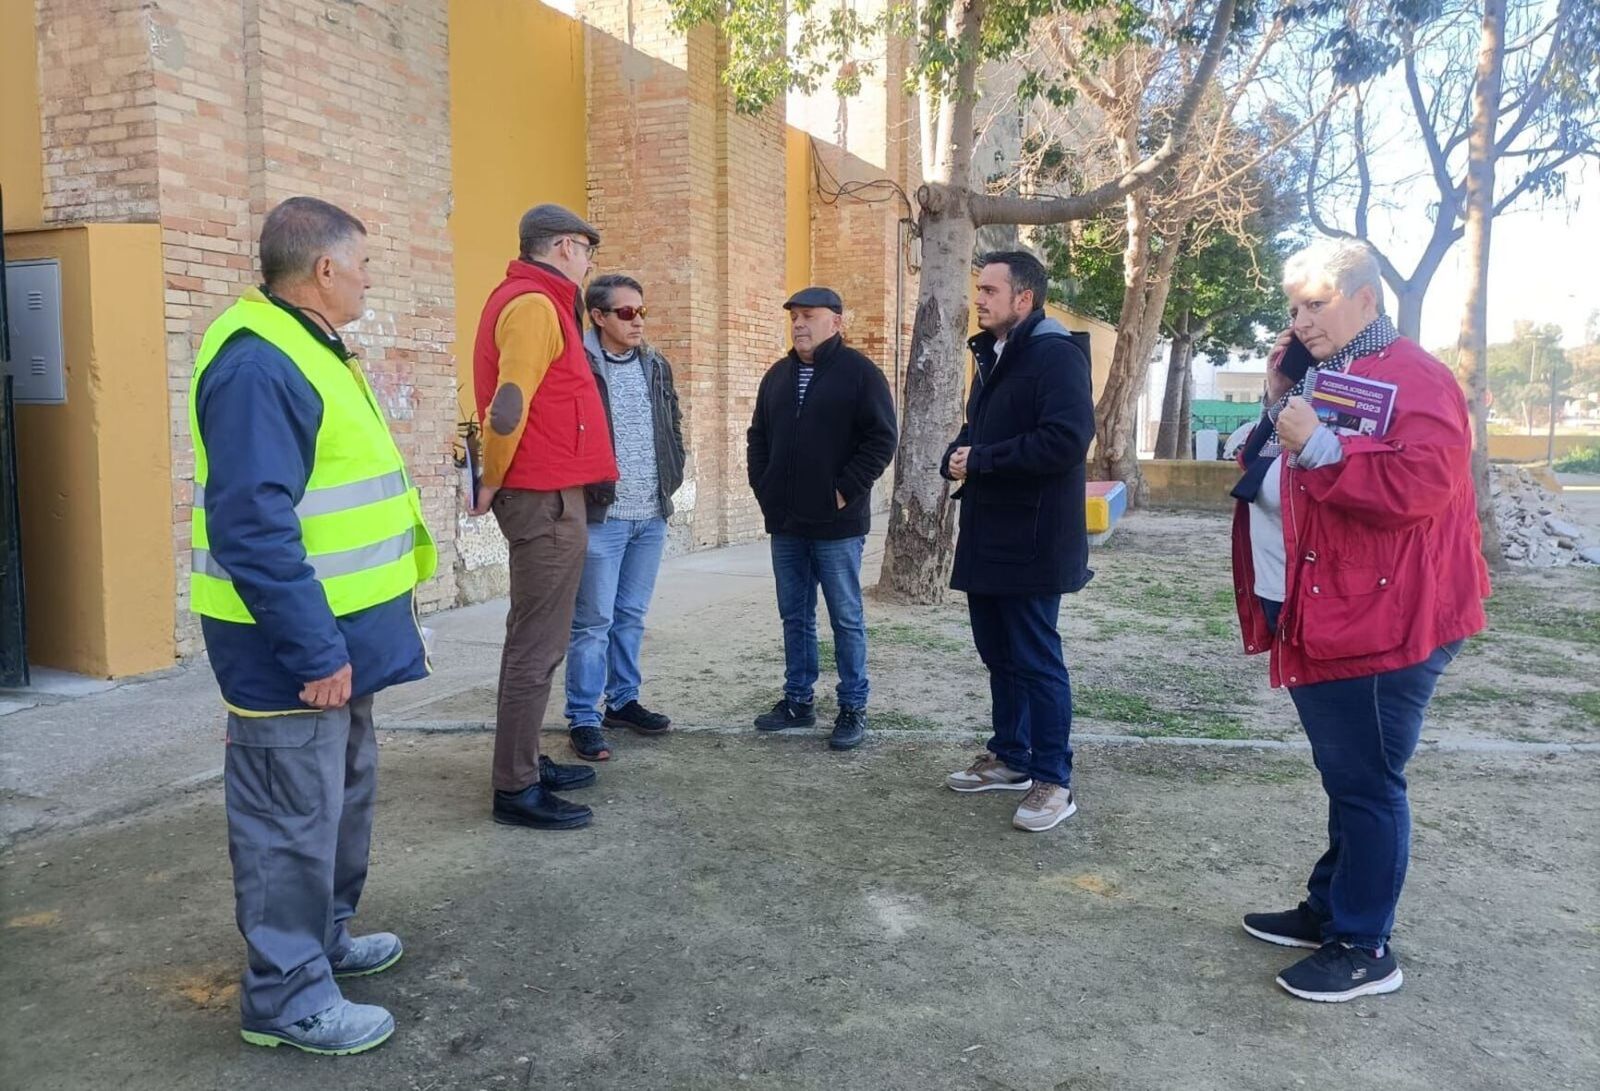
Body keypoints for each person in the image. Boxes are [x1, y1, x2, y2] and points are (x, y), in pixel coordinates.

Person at [189, 196, 436, 1054]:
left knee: (336, 798)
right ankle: (285, 995)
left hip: (335, 640)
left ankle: (322, 941)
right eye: (363, 261)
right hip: (289, 648)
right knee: (289, 815)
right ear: (324, 270)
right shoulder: (260, 362)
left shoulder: (310, 346)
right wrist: (314, 646)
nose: (370, 275)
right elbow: (252, 524)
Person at [1230, 237, 1489, 1002]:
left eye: (1316, 303)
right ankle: (1330, 908)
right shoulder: (1328, 370)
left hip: (1386, 622)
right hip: (1335, 607)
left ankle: (1364, 942)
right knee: (1347, 774)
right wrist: (1281, 399)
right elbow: (1272, 459)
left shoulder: (1419, 378)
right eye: (1294, 305)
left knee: (1368, 781)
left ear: (1365, 300)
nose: (1300, 318)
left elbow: (1420, 486)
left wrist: (1320, 445)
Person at [470, 204, 618, 830]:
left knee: (535, 639)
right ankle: (516, 786)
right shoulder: (533, 306)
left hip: (552, 495)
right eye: (586, 251)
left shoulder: (541, 301)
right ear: (563, 247)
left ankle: (524, 758)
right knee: (538, 644)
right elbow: (508, 409)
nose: (588, 263)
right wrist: (491, 481)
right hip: (544, 499)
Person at [940, 251, 1096, 833]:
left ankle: (1053, 779)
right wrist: (956, 455)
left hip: (1034, 540)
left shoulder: (1054, 356)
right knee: (998, 654)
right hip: (988, 533)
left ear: (1023, 298)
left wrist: (982, 459)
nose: (978, 298)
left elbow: (1065, 440)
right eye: (977, 288)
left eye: (988, 289)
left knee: (1036, 660)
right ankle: (1011, 757)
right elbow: (977, 432)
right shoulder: (994, 355)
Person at [746, 287, 897, 751]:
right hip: (786, 523)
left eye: (809, 316)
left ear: (837, 321)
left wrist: (844, 490)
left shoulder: (860, 375)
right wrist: (765, 488)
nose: (799, 325)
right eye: (794, 317)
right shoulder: (777, 376)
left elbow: (881, 439)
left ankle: (852, 705)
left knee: (845, 617)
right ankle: (798, 700)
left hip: (836, 524)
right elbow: (758, 438)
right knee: (795, 616)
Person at [563, 274, 686, 760]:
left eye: (642, 312)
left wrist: (672, 473)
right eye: (626, 313)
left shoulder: (655, 364)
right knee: (592, 621)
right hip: (603, 517)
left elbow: (671, 423)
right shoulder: (578, 366)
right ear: (598, 316)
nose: (638, 322)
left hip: (650, 514)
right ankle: (583, 715)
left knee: (631, 617)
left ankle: (622, 700)